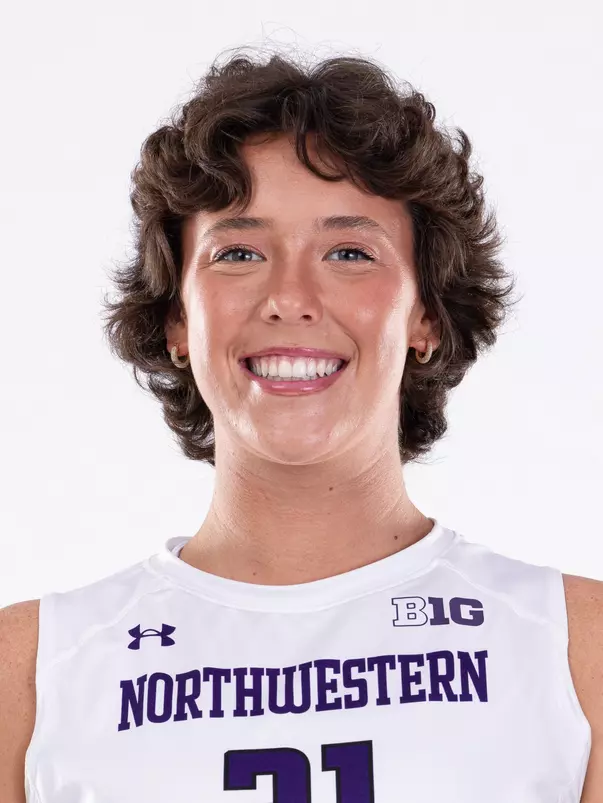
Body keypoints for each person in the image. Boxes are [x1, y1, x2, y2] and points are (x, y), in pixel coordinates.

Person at [1, 46, 601, 803]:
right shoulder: (29, 671)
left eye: (348, 251)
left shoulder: (576, 649)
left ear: (424, 314)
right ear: (176, 319)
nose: (290, 296)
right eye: (239, 252)